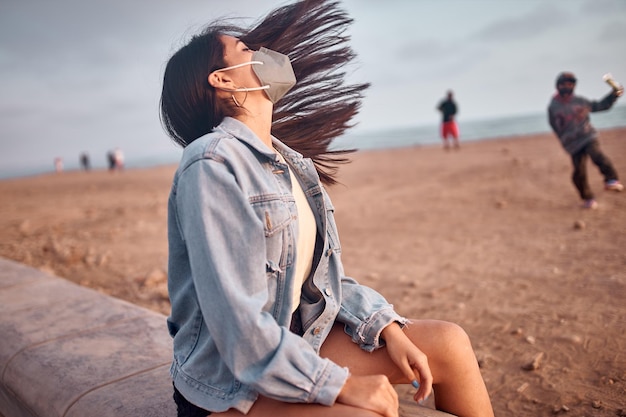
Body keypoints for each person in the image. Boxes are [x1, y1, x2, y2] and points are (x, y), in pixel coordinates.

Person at [160, 1, 494, 416]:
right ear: (222, 79)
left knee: (450, 344)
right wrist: (339, 385)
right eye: (246, 50)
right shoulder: (210, 164)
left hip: (295, 344)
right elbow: (238, 323)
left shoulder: (291, 164)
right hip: (230, 381)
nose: (263, 56)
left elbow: (319, 280)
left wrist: (386, 326)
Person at [548, 71, 624, 209]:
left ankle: (611, 179)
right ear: (558, 85)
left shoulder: (579, 101)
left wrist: (614, 95)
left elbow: (600, 106)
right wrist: (564, 141)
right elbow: (555, 127)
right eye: (564, 84)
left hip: (588, 136)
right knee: (579, 173)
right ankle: (587, 197)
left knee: (597, 155)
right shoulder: (553, 107)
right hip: (572, 144)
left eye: (570, 84)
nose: (567, 86)